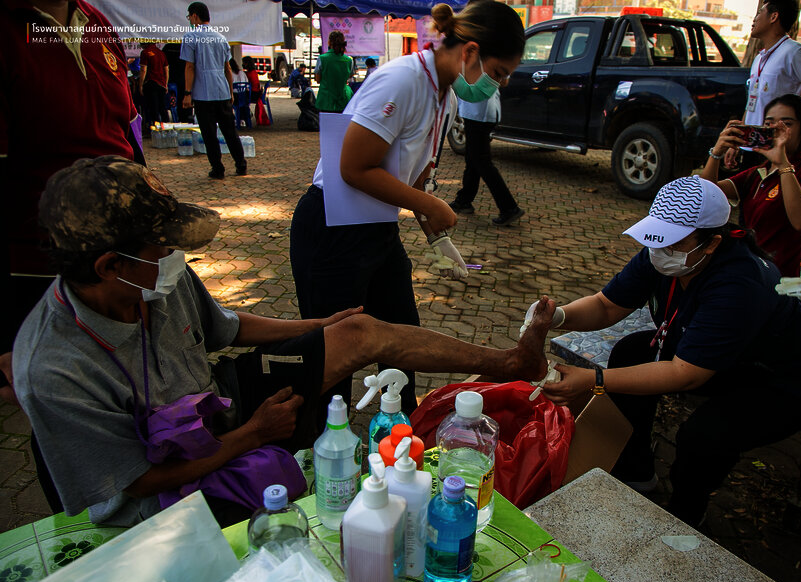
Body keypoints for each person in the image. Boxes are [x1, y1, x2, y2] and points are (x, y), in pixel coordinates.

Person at [14, 155, 556, 527]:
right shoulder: (52, 369)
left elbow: (230, 327)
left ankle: (513, 361)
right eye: (162, 247)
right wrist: (252, 434)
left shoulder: (154, 277)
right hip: (156, 497)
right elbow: (138, 481)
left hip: (213, 410)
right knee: (282, 520)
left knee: (359, 331)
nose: (176, 257)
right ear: (110, 266)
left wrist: (318, 326)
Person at [533, 176, 801, 526]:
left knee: (704, 435)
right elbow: (606, 305)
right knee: (632, 351)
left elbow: (685, 373)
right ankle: (634, 468)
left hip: (782, 380)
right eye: (655, 238)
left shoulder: (739, 283)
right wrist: (557, 316)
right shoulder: (664, 255)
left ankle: (685, 515)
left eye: (673, 242)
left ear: (712, 243)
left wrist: (594, 380)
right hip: (726, 360)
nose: (659, 250)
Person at [291, 1, 525, 416]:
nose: (500, 84)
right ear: (471, 52)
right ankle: (316, 442)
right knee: (333, 355)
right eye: (499, 72)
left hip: (376, 227)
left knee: (402, 341)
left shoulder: (445, 96)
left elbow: (411, 174)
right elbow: (353, 168)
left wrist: (437, 237)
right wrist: (431, 204)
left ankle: (404, 428)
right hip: (332, 227)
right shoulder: (403, 80)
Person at [0, 0, 143, 480]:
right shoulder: (9, 31)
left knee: (130, 394)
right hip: (38, 268)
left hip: (119, 256)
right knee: (67, 418)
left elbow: (125, 131)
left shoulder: (95, 22)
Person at [701, 94, 801, 276]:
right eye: (768, 123)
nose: (776, 129)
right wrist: (717, 153)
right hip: (749, 270)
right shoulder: (758, 172)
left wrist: (783, 164)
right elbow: (705, 194)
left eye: (787, 124)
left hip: (779, 278)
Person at [725, 0, 801, 169]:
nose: (754, 18)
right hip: (752, 146)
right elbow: (752, 103)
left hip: (778, 148)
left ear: (774, 17)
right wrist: (738, 142)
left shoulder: (795, 52)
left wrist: (800, 128)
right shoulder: (760, 58)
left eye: (760, 12)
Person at [181, 2, 246, 179]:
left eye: (189, 17)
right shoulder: (221, 38)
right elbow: (227, 68)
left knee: (209, 133)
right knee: (230, 131)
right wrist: (230, 92)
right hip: (222, 91)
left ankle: (217, 168)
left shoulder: (190, 37)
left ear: (195, 16)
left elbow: (189, 67)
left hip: (203, 93)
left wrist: (187, 93)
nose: (190, 20)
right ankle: (241, 164)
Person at [449, 89, 525, 226]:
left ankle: (509, 207)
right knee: (472, 158)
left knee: (481, 161)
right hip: (480, 112)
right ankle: (464, 200)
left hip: (478, 114)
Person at [315, 31, 354, 113]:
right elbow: (349, 76)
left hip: (325, 100)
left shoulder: (322, 58)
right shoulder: (349, 60)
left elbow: (318, 79)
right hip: (343, 100)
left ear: (329, 42)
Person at [139, 42, 170, 128]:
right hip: (161, 84)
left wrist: (140, 85)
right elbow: (166, 70)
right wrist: (166, 84)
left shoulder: (145, 52)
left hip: (150, 83)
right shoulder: (161, 53)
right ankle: (167, 128)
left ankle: (156, 128)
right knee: (163, 108)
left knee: (153, 108)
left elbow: (143, 70)